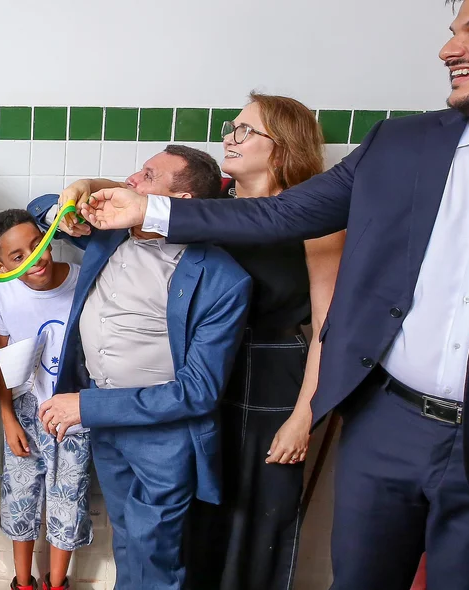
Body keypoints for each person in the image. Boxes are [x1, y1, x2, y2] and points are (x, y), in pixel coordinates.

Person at [78, 0, 469, 586]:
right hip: (387, 423)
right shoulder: (404, 144)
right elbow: (281, 214)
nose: (448, 49)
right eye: (453, 30)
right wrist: (149, 208)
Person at [30, 146, 251, 590]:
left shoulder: (223, 279)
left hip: (163, 437)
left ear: (179, 204)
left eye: (147, 176)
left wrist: (87, 407)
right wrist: (82, 191)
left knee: (155, 551)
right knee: (127, 539)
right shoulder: (110, 234)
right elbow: (38, 210)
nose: (131, 180)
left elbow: (198, 392)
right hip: (108, 428)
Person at [181, 93, 343, 590]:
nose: (229, 137)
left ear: (283, 146)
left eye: (245, 130)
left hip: (274, 376)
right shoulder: (211, 212)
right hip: (202, 369)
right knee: (198, 510)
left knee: (260, 513)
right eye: (232, 126)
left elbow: (326, 327)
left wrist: (304, 416)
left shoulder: (316, 220)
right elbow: (139, 198)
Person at [0, 209, 89, 590]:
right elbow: (0, 359)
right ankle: (23, 582)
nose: (36, 258)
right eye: (18, 256)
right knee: (20, 497)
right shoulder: (0, 292)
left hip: (75, 411)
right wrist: (7, 418)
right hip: (26, 410)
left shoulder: (83, 281)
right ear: (0, 264)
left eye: (38, 245)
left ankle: (57, 583)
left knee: (68, 499)